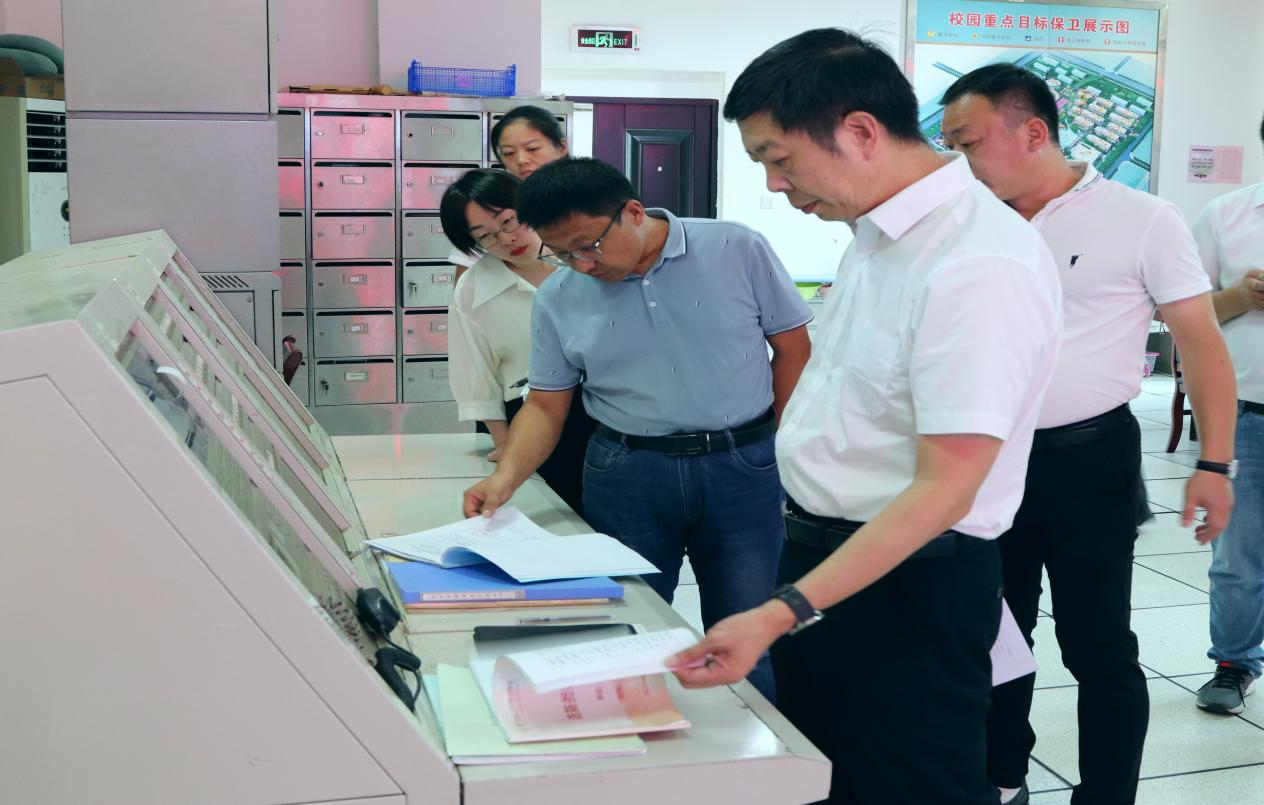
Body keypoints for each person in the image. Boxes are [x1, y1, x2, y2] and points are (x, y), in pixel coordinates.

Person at [668, 29, 1063, 805]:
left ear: (859, 131)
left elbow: (946, 487)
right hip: (831, 565)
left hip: (909, 583)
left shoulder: (976, 261)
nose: (775, 184)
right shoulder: (875, 241)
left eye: (779, 158)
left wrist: (781, 611)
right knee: (830, 778)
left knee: (906, 784)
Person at [939, 64, 1238, 805]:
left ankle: (1106, 795)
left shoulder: (1142, 217)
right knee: (992, 636)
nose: (957, 161)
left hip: (1089, 460)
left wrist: (1213, 463)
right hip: (981, 462)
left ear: (1032, 132)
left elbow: (1201, 341)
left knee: (1098, 644)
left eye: (968, 142)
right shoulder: (962, 218)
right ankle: (1000, 777)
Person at [462, 157, 813, 702]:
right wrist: (505, 478)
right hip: (628, 474)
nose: (581, 265)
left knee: (746, 634)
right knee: (623, 630)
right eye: (562, 253)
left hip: (742, 466)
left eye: (589, 245)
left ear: (631, 211)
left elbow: (792, 349)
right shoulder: (559, 296)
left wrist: (783, 445)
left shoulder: (735, 248)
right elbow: (546, 405)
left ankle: (758, 754)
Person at [438, 169, 595, 515]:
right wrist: (508, 447)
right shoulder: (473, 289)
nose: (508, 239)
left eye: (509, 221)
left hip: (603, 414)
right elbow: (475, 375)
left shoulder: (587, 264)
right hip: (527, 418)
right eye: (486, 236)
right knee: (552, 516)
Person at [1189, 114, 1264, 717]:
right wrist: (1242, 295)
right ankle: (1234, 662)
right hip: (1245, 414)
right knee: (1238, 557)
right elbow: (1183, 313)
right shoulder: (1225, 216)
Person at [447, 106, 570, 281]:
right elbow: (467, 288)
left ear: (562, 147)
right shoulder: (487, 210)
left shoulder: (588, 203)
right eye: (508, 153)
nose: (521, 160)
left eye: (532, 148)